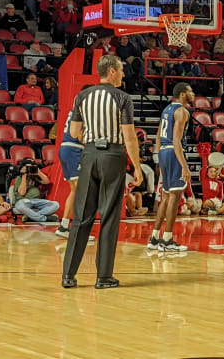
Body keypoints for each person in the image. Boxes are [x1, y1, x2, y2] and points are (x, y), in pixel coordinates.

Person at [62, 55, 143, 290]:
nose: (123, 74)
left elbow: (75, 130)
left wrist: (90, 140)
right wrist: (137, 167)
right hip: (112, 155)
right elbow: (129, 136)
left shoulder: (83, 96)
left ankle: (68, 275)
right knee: (108, 217)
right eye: (121, 70)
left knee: (81, 217)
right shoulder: (122, 98)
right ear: (111, 72)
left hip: (88, 155)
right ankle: (103, 277)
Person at [147, 83, 194, 253]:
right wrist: (184, 166)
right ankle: (167, 240)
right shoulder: (182, 111)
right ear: (182, 94)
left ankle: (154, 237)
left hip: (164, 153)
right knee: (174, 197)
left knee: (166, 196)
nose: (193, 94)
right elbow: (176, 140)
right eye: (190, 91)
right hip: (174, 153)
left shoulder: (166, 109)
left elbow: (159, 134)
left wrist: (158, 155)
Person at [56, 85, 95, 241]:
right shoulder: (84, 109)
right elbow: (79, 135)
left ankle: (64, 226)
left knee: (75, 191)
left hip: (65, 148)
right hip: (73, 149)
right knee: (82, 192)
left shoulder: (76, 107)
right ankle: (79, 230)